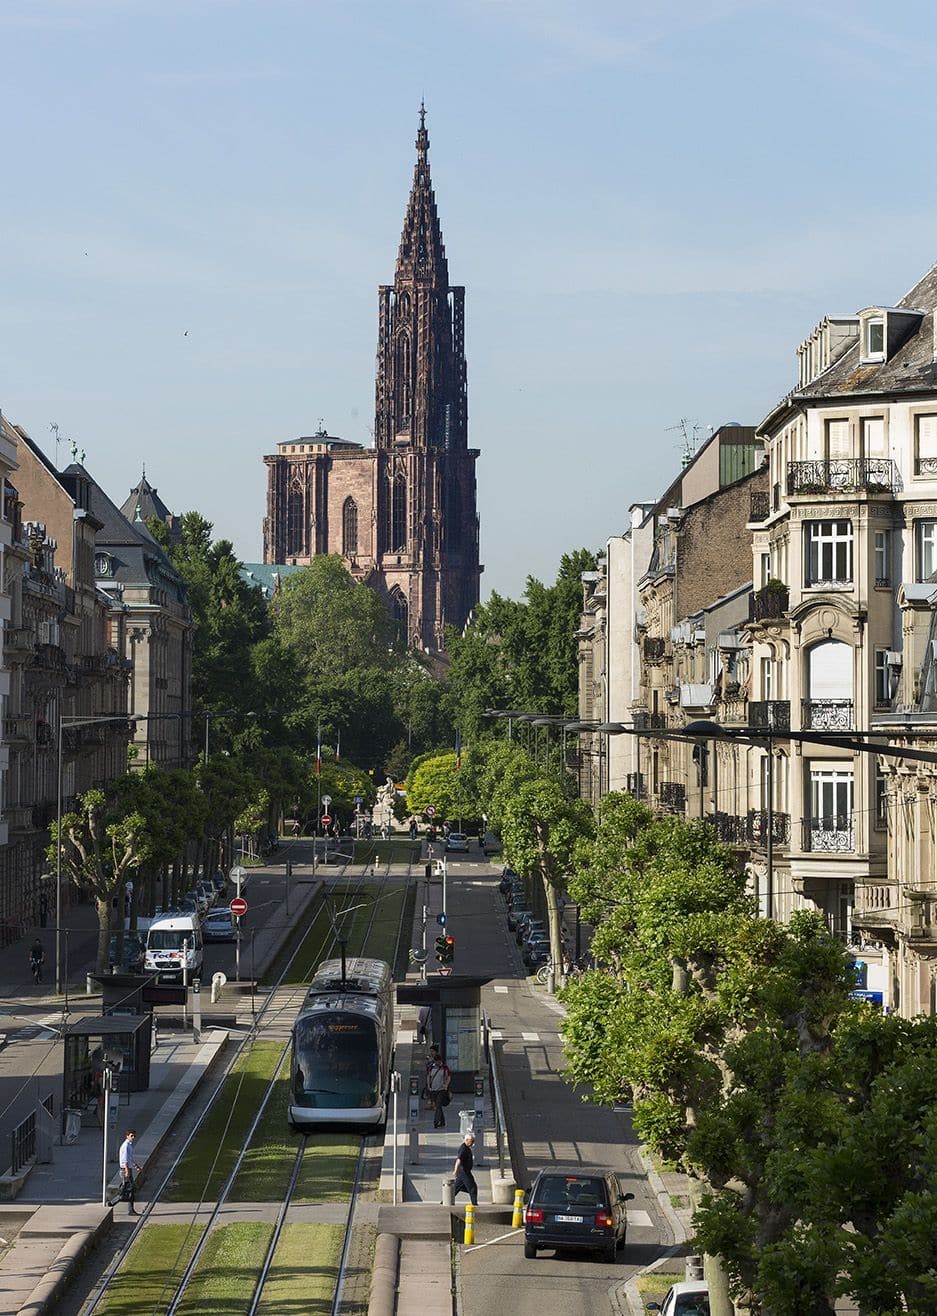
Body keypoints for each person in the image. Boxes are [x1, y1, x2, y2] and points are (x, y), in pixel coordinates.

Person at [112, 1128, 141, 1215]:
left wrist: (136, 1166)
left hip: (128, 1169)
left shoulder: (129, 1145)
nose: (133, 1137)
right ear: (127, 1136)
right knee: (128, 1189)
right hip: (125, 1170)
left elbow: (129, 1158)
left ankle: (131, 1210)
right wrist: (127, 1171)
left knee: (130, 1189)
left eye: (134, 1136)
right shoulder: (126, 1146)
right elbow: (124, 1160)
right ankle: (113, 1202)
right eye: (131, 1136)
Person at [426, 1052, 451, 1129]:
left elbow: (448, 1077)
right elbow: (428, 1077)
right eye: (437, 1061)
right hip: (433, 1089)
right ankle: (442, 1122)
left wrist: (446, 1085)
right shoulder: (431, 1068)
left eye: (439, 1061)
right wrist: (428, 1086)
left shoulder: (444, 1068)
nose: (438, 1063)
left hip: (441, 1090)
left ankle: (436, 1122)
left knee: (438, 1105)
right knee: (438, 1105)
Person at [453, 1132, 478, 1205]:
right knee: (473, 1188)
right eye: (472, 1141)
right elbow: (459, 1160)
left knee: (456, 1188)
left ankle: (445, 1200)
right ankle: (474, 1204)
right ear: (466, 1140)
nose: (473, 1143)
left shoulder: (466, 1148)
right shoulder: (463, 1149)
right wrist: (455, 1171)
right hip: (464, 1172)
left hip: (463, 1172)